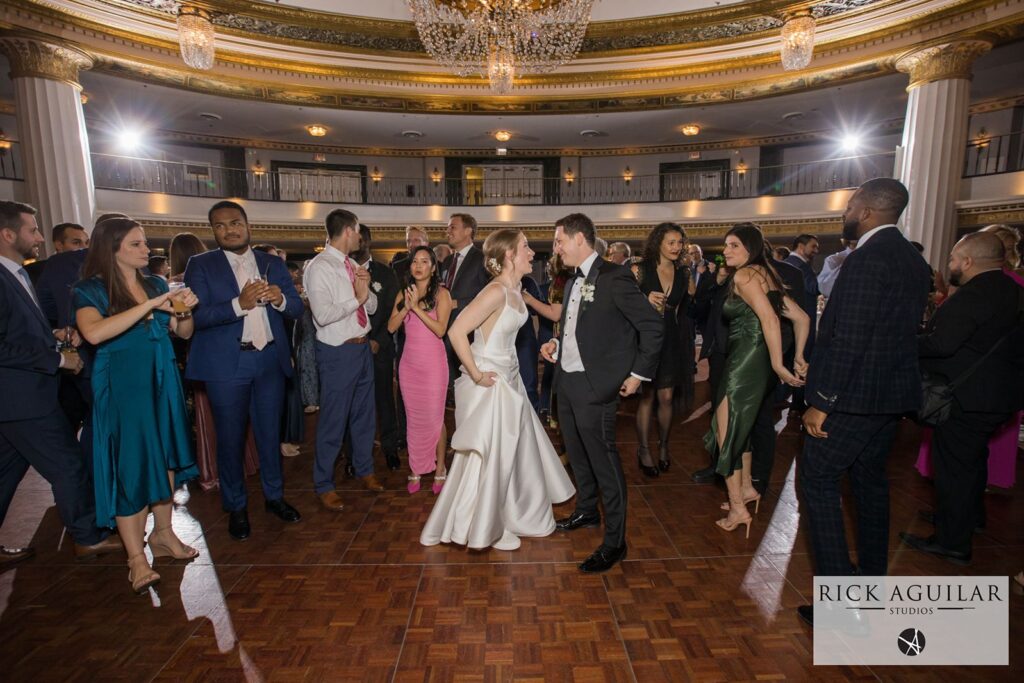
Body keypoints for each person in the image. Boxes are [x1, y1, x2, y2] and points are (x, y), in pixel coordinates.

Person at [797, 178, 931, 627]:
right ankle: (872, 583)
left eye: (851, 205)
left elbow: (849, 339)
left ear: (868, 210)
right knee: (871, 484)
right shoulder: (913, 259)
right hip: (889, 397)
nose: (845, 212)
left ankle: (839, 603)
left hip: (852, 398)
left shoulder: (867, 259)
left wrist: (823, 401)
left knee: (817, 480)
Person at [421, 229, 575, 551]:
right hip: (490, 383)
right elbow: (456, 331)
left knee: (510, 455)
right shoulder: (495, 291)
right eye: (526, 247)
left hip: (511, 378)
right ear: (509, 255)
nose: (532, 252)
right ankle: (482, 525)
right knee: (489, 456)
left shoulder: (515, 290)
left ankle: (508, 516)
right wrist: (477, 375)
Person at [73, 217, 200, 593]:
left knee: (166, 458)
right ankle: (135, 557)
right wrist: (152, 306)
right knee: (130, 465)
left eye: (145, 243)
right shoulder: (90, 291)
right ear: (111, 248)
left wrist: (182, 310)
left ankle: (164, 535)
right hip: (123, 386)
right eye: (136, 244)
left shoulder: (156, 284)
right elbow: (93, 333)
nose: (147, 250)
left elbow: (184, 333)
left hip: (162, 378)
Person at [0, 201, 122, 567]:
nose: (39, 237)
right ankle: (87, 536)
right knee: (69, 464)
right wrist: (56, 358)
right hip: (21, 399)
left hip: (20, 398)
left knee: (6, 473)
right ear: (8, 235)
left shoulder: (17, 274)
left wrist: (53, 336)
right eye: (32, 230)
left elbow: (16, 333)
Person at [540, 213, 663, 573]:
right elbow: (579, 327)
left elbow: (651, 328)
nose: (556, 248)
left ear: (580, 239)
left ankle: (615, 543)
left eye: (560, 240)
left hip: (597, 386)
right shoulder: (571, 280)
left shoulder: (615, 277)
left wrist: (638, 374)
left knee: (605, 464)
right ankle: (586, 512)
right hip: (568, 382)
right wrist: (554, 345)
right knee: (577, 455)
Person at [184, 201, 304, 541]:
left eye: (235, 222)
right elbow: (197, 317)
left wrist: (280, 298)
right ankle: (235, 506)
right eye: (220, 226)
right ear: (213, 231)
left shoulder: (270, 262)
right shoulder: (201, 265)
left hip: (268, 361)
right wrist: (240, 304)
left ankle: (274, 497)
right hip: (227, 364)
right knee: (231, 438)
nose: (229, 230)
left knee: (270, 434)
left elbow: (295, 308)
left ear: (247, 224)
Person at [901, 232, 1023, 565]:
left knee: (954, 469)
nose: (950, 265)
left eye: (953, 259)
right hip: (998, 396)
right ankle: (969, 519)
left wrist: (902, 342)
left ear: (968, 261)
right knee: (971, 461)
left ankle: (952, 541)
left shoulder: (974, 295)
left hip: (966, 398)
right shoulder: (1013, 291)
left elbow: (942, 344)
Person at [705, 224, 808, 536]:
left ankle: (737, 507)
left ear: (749, 248)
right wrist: (800, 356)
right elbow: (802, 318)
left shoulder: (745, 275)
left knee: (727, 433)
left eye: (734, 245)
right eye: (726, 245)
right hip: (755, 361)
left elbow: (770, 319)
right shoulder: (766, 274)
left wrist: (780, 364)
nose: (726, 251)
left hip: (745, 362)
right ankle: (747, 488)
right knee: (741, 427)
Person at [304, 209, 384, 513]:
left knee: (365, 415)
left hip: (362, 348)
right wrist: (358, 298)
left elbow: (372, 306)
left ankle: (365, 470)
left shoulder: (352, 264)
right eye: (358, 232)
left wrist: (366, 289)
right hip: (337, 352)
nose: (360, 237)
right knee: (333, 421)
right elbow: (322, 316)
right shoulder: (319, 267)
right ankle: (324, 484)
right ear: (349, 231)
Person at [169, 232, 261, 491]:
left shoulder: (172, 283)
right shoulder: (179, 287)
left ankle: (211, 467)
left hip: (191, 354)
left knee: (212, 417)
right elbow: (194, 321)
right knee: (222, 418)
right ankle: (234, 471)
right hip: (213, 354)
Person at [388, 246, 451, 494]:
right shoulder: (403, 294)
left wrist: (416, 309)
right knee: (414, 418)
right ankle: (415, 467)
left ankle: (440, 469)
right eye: (415, 261)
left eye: (425, 261)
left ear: (433, 268)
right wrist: (407, 306)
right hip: (409, 365)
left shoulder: (442, 294)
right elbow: (391, 327)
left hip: (434, 365)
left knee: (435, 418)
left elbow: (440, 330)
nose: (419, 265)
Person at [634, 222, 691, 476]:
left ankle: (664, 446)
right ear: (658, 242)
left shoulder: (684, 273)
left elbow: (681, 310)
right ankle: (644, 450)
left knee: (666, 397)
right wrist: (643, 299)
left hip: (671, 339)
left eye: (680, 242)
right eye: (671, 242)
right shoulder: (640, 270)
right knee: (646, 396)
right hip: (646, 338)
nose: (676, 247)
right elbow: (623, 301)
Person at [352, 224, 401, 471]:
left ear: (367, 242)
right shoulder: (341, 271)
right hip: (349, 348)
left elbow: (393, 310)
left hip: (379, 348)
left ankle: (390, 449)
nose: (353, 244)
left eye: (358, 239)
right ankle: (353, 455)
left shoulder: (385, 273)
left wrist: (378, 340)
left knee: (384, 402)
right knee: (353, 405)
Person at [441, 213, 488, 386]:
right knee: (450, 382)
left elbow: (488, 295)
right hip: (446, 330)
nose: (448, 231)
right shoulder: (446, 262)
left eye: (452, 227)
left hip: (470, 334)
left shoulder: (482, 258)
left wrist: (458, 303)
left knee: (468, 383)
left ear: (468, 231)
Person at [784, 234, 820, 411]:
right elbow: (814, 288)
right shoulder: (799, 266)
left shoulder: (792, 264)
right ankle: (798, 403)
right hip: (800, 324)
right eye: (813, 246)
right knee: (801, 362)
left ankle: (792, 400)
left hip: (794, 324)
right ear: (800, 246)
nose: (816, 251)